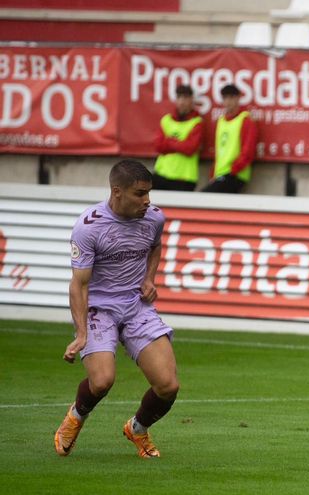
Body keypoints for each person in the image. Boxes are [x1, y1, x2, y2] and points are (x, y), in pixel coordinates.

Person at [54, 159, 180, 459]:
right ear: (117, 192)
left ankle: (137, 428)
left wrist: (150, 277)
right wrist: (82, 334)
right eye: (140, 193)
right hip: (100, 310)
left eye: (149, 192)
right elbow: (78, 285)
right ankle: (76, 417)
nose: (147, 200)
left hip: (137, 306)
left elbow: (155, 245)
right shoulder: (89, 227)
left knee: (168, 385)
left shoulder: (154, 218)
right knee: (101, 381)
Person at [201, 84, 257, 194]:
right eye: (225, 98)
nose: (228, 102)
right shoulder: (221, 121)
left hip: (235, 174)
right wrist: (213, 173)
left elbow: (248, 151)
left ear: (238, 98)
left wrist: (233, 170)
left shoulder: (245, 120)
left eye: (231, 98)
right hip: (220, 174)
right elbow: (219, 151)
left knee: (204, 197)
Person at [152, 85, 204, 191]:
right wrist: (180, 143)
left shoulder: (197, 123)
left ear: (191, 100)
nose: (182, 102)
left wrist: (169, 142)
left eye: (185, 98)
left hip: (184, 178)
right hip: (161, 174)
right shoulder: (166, 120)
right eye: (179, 97)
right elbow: (158, 146)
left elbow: (190, 148)